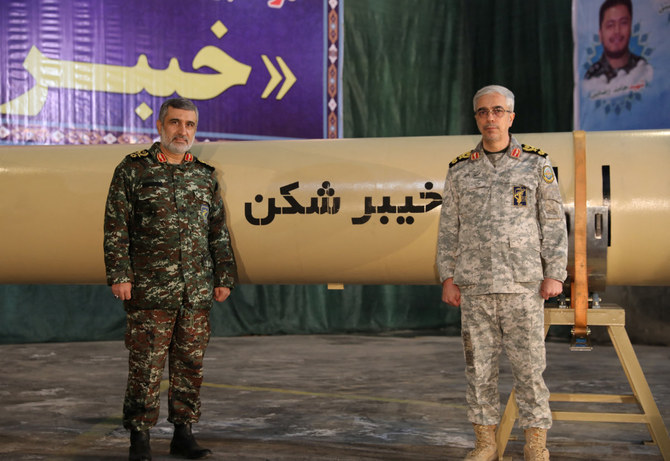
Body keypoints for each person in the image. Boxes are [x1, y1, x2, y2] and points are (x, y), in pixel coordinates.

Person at [436, 85, 567, 461]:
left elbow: (554, 223)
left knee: (529, 371)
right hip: (475, 288)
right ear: (476, 117)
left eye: (497, 111)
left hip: (523, 287)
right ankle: (485, 445)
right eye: (482, 112)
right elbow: (449, 228)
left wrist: (554, 272)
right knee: (479, 372)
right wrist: (448, 275)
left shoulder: (535, 164)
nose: (489, 118)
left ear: (511, 116)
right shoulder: (460, 170)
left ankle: (536, 446)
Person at [104, 97, 237, 461]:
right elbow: (117, 227)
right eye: (176, 123)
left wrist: (224, 275)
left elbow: (217, 232)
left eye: (190, 124)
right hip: (149, 289)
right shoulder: (133, 170)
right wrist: (120, 274)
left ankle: (184, 433)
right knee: (145, 367)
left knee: (190, 364)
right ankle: (140, 439)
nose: (183, 131)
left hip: (194, 290)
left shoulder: (204, 175)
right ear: (161, 126)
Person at [584, 0, 647, 82]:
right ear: (600, 34)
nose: (617, 31)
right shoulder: (591, 78)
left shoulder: (643, 68)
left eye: (623, 23)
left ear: (630, 29)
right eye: (610, 25)